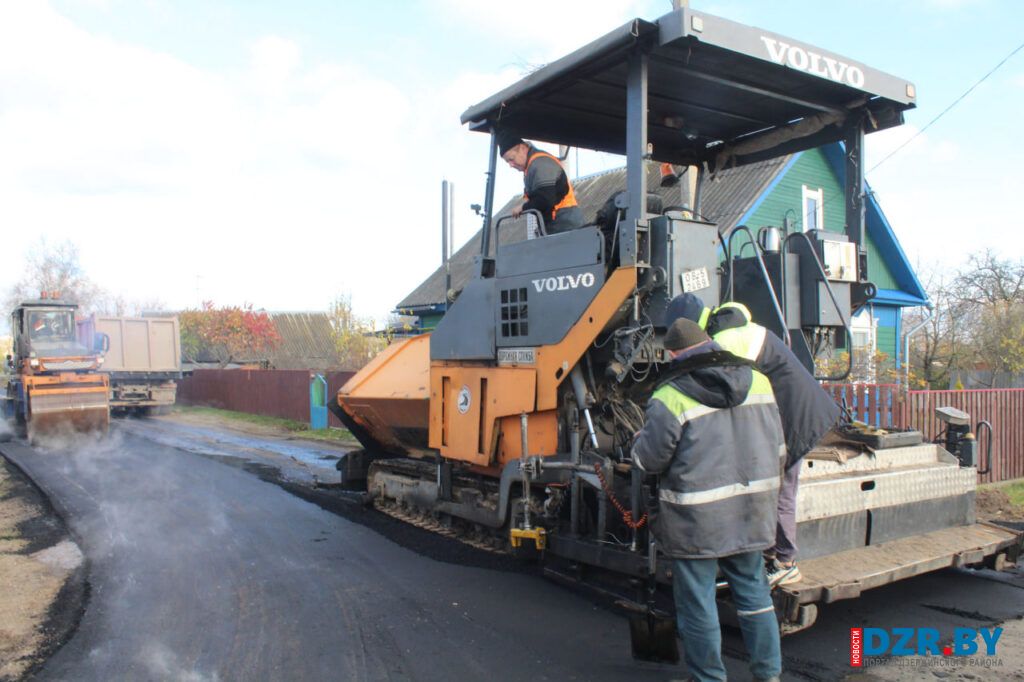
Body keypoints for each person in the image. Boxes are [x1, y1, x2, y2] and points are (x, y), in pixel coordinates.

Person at [632, 318, 784, 682]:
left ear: (673, 353)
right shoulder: (759, 380)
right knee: (754, 594)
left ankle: (709, 679)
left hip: (696, 519)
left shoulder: (669, 394)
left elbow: (650, 459)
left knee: (698, 602)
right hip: (752, 509)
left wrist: (638, 442)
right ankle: (769, 675)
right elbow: (779, 447)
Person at [664, 294, 841, 586]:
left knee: (778, 487)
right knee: (776, 486)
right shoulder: (733, 328)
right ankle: (773, 554)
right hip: (795, 411)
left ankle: (785, 562)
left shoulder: (728, 342)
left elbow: (723, 393)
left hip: (792, 416)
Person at [496, 130, 584, 234]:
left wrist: (523, 207)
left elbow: (545, 199)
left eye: (511, 159)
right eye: (508, 162)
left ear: (523, 149)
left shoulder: (540, 163)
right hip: (557, 225)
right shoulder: (531, 167)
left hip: (566, 225)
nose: (511, 165)